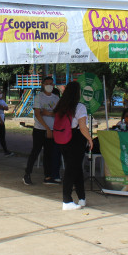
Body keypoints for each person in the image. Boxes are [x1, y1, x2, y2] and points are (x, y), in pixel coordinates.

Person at [53, 81, 94, 210]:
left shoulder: (61, 105)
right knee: (72, 170)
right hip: (76, 139)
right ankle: (67, 200)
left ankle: (82, 198)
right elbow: (83, 127)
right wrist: (90, 139)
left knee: (76, 169)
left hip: (63, 139)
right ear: (77, 93)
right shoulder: (80, 107)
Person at [24, 76, 60, 185]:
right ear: (43, 85)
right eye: (47, 83)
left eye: (51, 83)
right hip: (40, 129)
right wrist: (47, 128)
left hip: (52, 130)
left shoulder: (56, 98)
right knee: (36, 151)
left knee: (48, 153)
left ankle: (48, 176)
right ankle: (27, 174)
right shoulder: (39, 97)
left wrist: (47, 113)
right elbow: (38, 114)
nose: (49, 85)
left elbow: (58, 113)